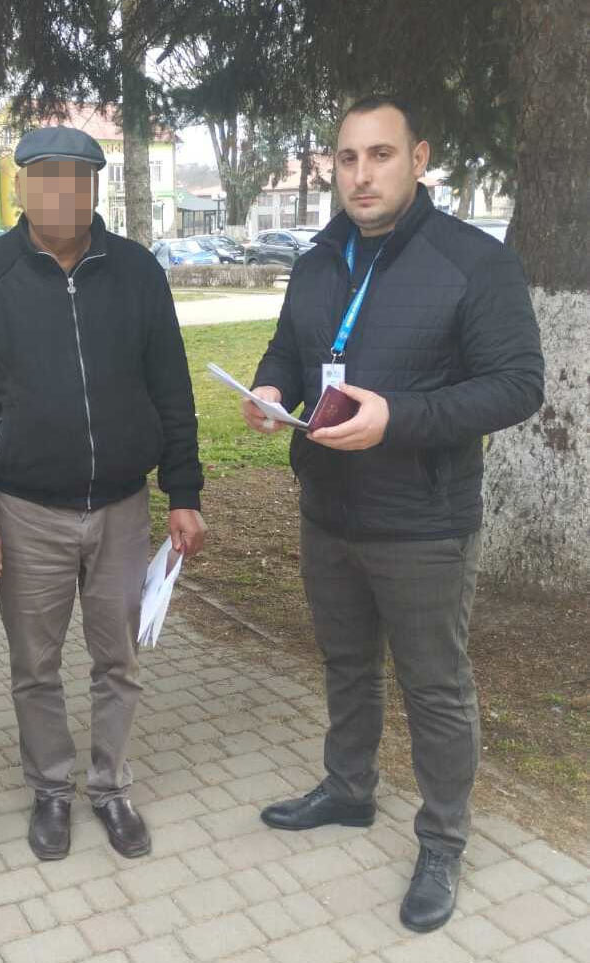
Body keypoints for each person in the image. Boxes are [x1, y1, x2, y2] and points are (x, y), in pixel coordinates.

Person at [243, 96, 544, 932]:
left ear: (418, 158)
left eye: (379, 155)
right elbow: (289, 347)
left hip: (423, 521)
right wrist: (270, 387)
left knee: (434, 686)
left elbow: (517, 385)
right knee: (345, 663)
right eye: (346, 158)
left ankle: (442, 839)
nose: (361, 174)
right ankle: (348, 789)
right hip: (328, 508)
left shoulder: (473, 262)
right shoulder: (317, 258)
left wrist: (397, 416)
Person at [0, 126, 206, 861]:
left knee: (118, 660)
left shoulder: (137, 272)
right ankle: (51, 789)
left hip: (122, 507)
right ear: (21, 185)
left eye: (78, 177)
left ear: (94, 186)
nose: (63, 191)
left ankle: (111, 786)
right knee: (36, 665)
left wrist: (183, 491)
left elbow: (172, 388)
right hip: (25, 511)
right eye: (46, 176)